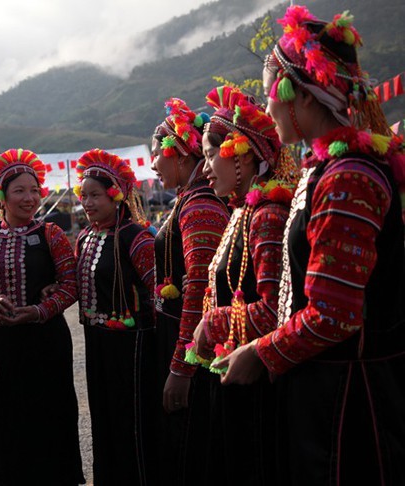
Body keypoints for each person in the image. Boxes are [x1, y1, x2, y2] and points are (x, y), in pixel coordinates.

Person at [217, 7, 405, 485]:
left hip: (348, 399)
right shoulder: (324, 171)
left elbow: (334, 314)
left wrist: (259, 352)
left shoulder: (349, 178)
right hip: (318, 383)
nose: (269, 108)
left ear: (299, 94)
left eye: (270, 95)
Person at [189, 86, 297, 485]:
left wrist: (211, 325)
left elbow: (274, 309)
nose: (204, 169)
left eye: (209, 154)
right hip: (236, 375)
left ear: (242, 152)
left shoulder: (266, 216)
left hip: (257, 383)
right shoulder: (242, 211)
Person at [0, 148, 85, 485]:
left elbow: (72, 284)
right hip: (2, 347)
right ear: (1, 196)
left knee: (52, 420)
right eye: (19, 190)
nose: (29, 198)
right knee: (9, 424)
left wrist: (38, 310)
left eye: (34, 190)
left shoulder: (52, 235)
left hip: (47, 344)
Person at [151, 98, 229, 485]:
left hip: (194, 348)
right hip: (181, 339)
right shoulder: (188, 198)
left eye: (156, 155)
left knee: (192, 446)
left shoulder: (200, 206)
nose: (152, 165)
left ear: (179, 154)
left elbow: (199, 289)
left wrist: (182, 367)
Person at [74, 148, 159, 485]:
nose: (88, 202)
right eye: (84, 195)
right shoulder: (85, 237)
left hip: (133, 344)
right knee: (104, 418)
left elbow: (159, 289)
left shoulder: (135, 237)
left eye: (95, 195)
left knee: (132, 421)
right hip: (97, 341)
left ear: (116, 195)